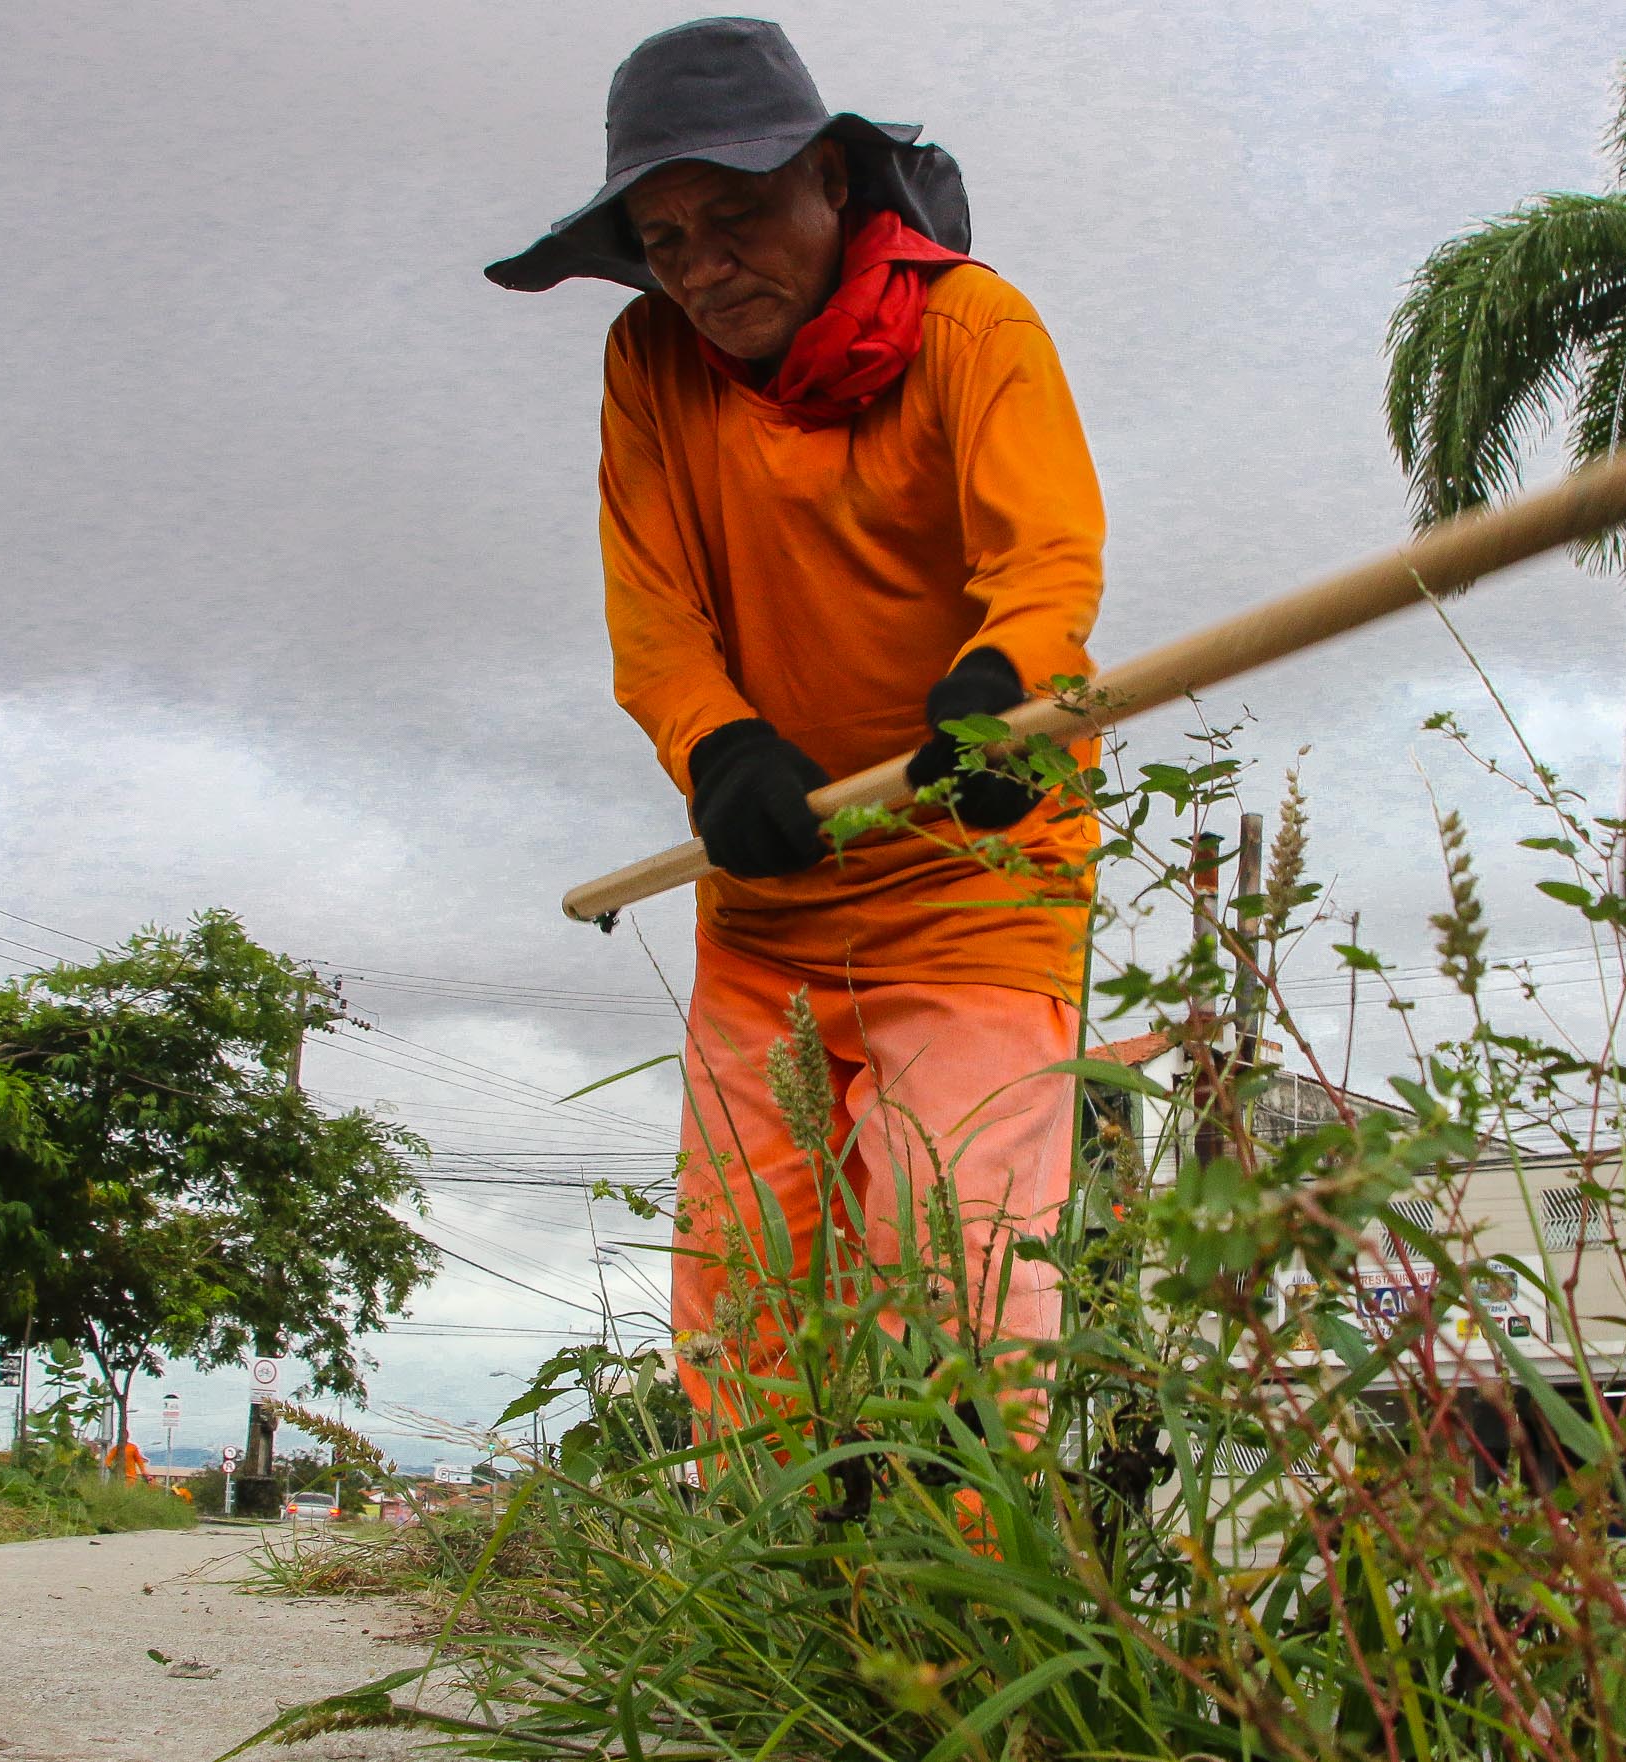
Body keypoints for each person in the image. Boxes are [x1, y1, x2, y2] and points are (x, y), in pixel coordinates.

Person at [489, 18, 1102, 1428]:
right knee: (738, 1305)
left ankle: (946, 1623)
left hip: (976, 889)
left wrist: (1002, 687)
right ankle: (763, 1623)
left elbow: (1047, 563)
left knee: (960, 1291)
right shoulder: (652, 365)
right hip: (769, 905)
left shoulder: (971, 325)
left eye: (737, 214)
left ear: (831, 180)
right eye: (664, 238)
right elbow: (654, 615)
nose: (701, 268)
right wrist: (719, 749)